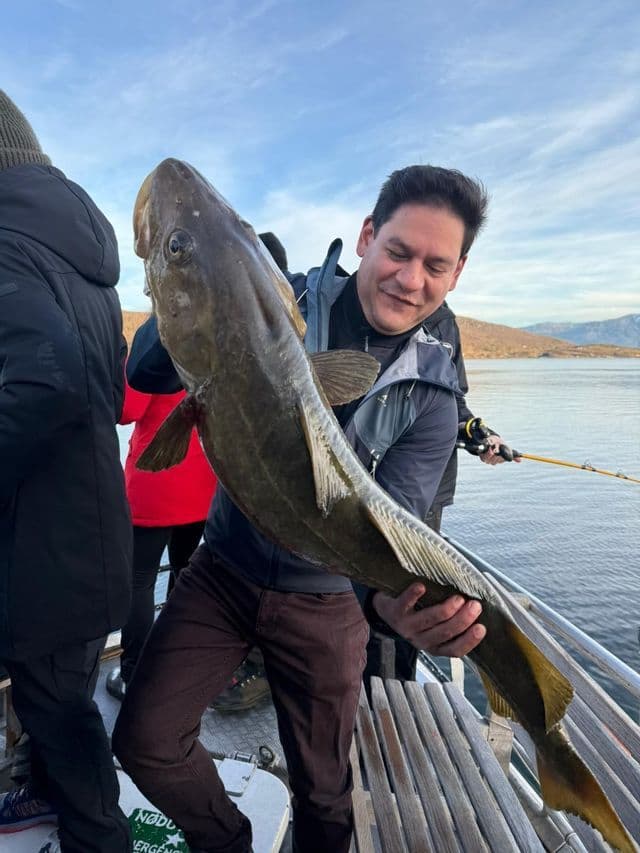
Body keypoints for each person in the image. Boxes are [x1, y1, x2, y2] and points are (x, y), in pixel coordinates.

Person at [113, 164, 489, 853]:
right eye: (399, 252)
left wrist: (391, 607)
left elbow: (393, 530)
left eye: (435, 265)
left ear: (456, 273)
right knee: (143, 739)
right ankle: (228, 843)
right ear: (369, 236)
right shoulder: (289, 296)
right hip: (224, 567)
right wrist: (183, 303)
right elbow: (143, 374)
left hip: (327, 603)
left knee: (324, 793)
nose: (411, 278)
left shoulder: (435, 394)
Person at [0, 91, 132, 852]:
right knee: (65, 712)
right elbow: (108, 391)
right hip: (92, 539)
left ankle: (96, 837)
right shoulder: (86, 260)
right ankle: (44, 798)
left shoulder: (5, 241)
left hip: (39, 557)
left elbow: (44, 380)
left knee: (70, 735)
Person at [363, 300, 518, 686]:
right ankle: (361, 683)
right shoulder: (367, 308)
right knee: (367, 588)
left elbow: (454, 399)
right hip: (368, 488)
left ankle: (393, 692)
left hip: (426, 495)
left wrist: (480, 434)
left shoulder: (442, 320)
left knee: (408, 595)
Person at [106, 377, 218, 700]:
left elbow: (127, 409)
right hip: (201, 484)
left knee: (139, 581)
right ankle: (175, 670)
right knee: (185, 577)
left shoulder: (153, 343)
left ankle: (134, 676)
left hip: (154, 484)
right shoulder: (213, 342)